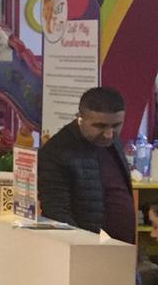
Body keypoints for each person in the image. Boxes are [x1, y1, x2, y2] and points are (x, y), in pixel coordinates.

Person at [38, 86, 136, 241]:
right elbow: (57, 213)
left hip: (123, 248)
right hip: (87, 249)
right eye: (100, 126)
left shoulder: (113, 142)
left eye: (116, 125)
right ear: (80, 118)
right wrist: (84, 248)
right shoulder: (55, 151)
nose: (109, 134)